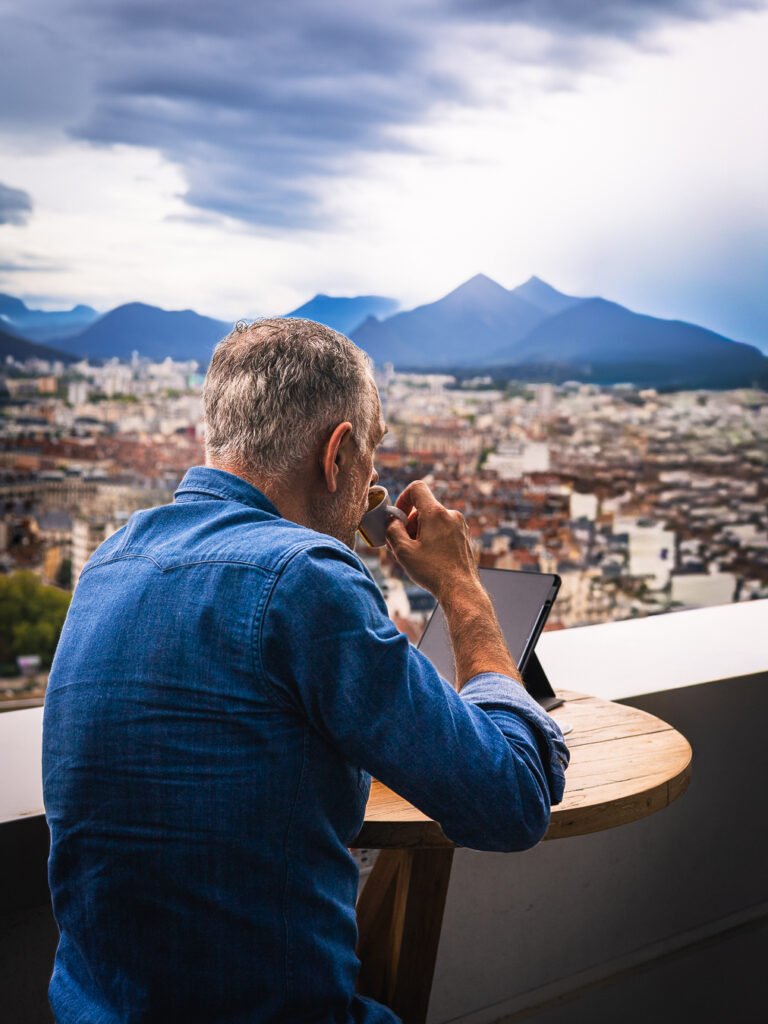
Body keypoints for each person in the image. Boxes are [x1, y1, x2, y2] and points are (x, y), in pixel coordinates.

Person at [43, 318, 569, 1024]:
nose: (373, 482)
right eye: (372, 454)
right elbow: (512, 800)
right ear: (338, 453)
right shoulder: (303, 577)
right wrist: (460, 585)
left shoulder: (109, 561)